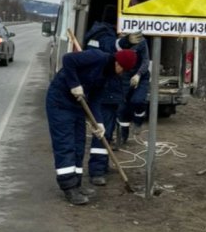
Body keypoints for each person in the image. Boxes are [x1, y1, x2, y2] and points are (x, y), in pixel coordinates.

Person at [45, 47, 138, 205]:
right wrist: (74, 84)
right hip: (59, 101)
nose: (121, 73)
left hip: (77, 106)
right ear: (117, 62)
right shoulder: (97, 57)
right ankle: (69, 188)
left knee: (79, 144)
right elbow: (68, 59)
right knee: (65, 144)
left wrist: (98, 122)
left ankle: (77, 183)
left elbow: (95, 98)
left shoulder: (107, 75)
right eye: (122, 68)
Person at [83, 6, 124, 186]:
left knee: (107, 132)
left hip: (110, 91)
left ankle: (102, 165)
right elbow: (110, 50)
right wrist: (124, 43)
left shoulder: (97, 33)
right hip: (105, 92)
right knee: (102, 133)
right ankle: (97, 171)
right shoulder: (103, 36)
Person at [117, 30, 151, 145]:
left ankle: (138, 122)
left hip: (140, 76)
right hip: (124, 77)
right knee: (123, 107)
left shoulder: (141, 41)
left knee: (138, 100)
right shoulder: (117, 43)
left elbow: (146, 60)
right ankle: (123, 134)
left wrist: (139, 75)